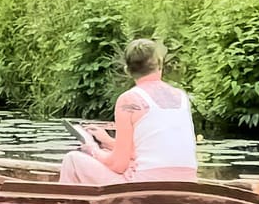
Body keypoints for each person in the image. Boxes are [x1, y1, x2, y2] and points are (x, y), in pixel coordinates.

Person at [59, 38, 198, 185]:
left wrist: (92, 149)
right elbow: (152, 151)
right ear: (160, 63)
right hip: (187, 183)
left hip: (145, 187)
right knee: (109, 156)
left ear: (127, 70)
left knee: (72, 159)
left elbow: (118, 165)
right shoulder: (182, 97)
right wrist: (108, 142)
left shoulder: (129, 100)